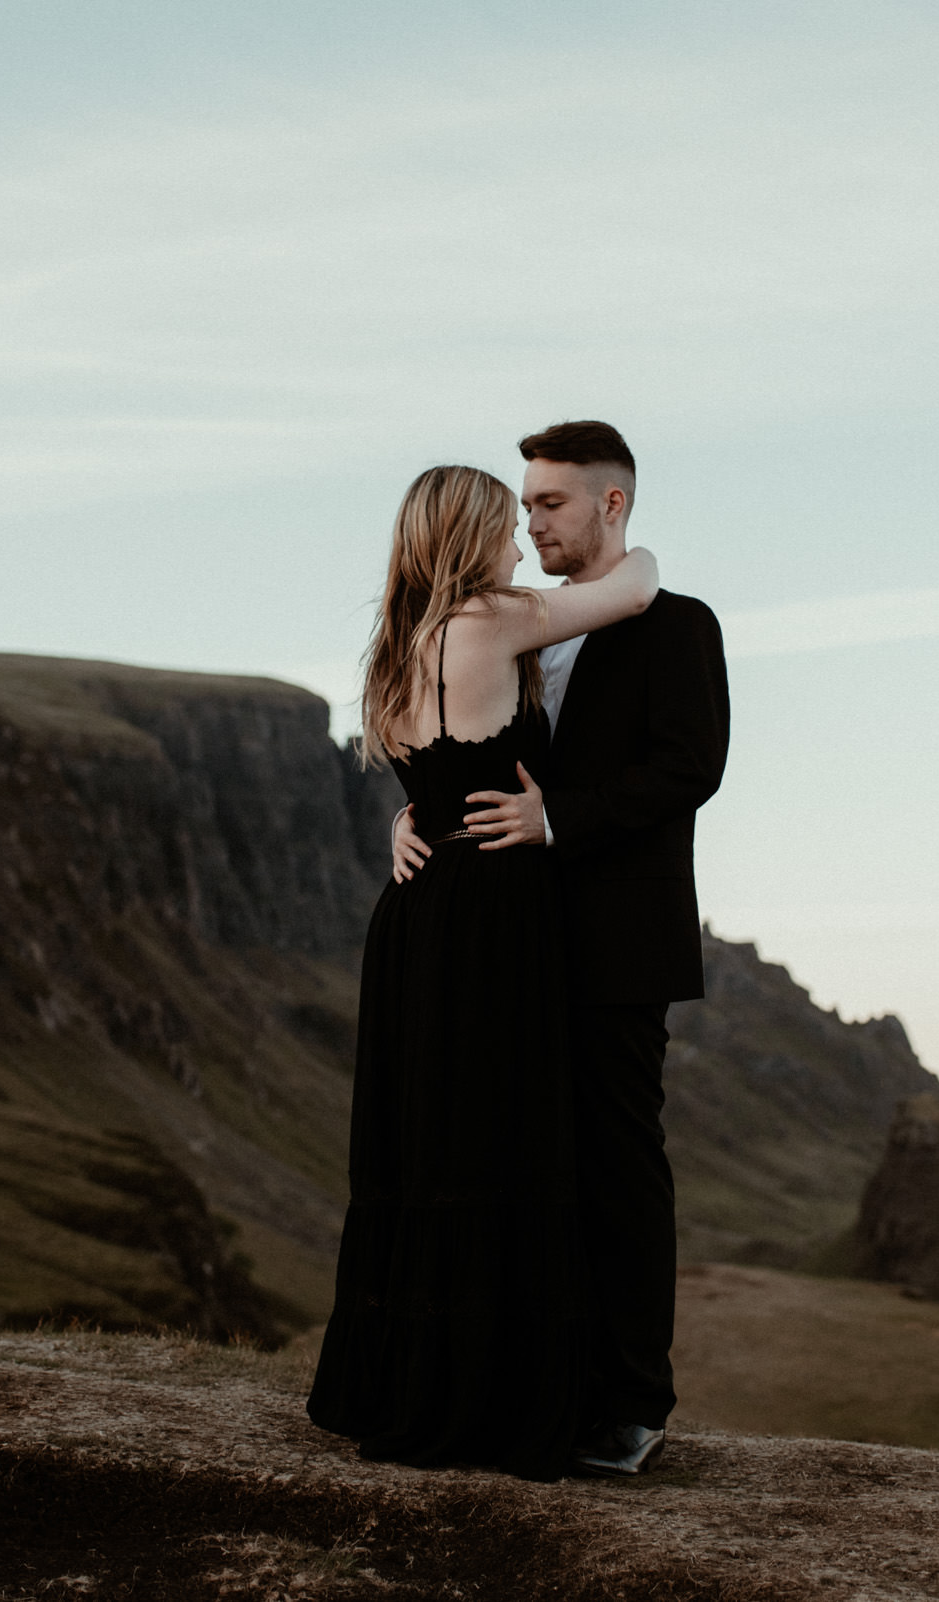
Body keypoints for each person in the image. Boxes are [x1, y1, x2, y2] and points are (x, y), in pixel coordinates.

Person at [305, 461, 661, 1480]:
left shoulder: (400, 645)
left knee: (428, 1147)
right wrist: (618, 527)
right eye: (507, 526)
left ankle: (406, 1383)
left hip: (419, 913)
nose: (520, 542)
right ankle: (491, 1404)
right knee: (501, 1141)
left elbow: (434, 784)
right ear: (467, 537)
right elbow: (632, 590)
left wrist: (403, 822)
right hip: (493, 916)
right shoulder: (489, 620)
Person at [390, 421, 731, 1478]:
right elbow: (458, 743)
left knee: (618, 1169)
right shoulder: (507, 624)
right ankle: (541, 1388)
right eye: (524, 503)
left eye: (549, 503)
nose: (530, 519)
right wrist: (418, 820)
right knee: (522, 1171)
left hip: (617, 948)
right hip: (510, 954)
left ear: (611, 506)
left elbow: (689, 768)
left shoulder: (677, 625)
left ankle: (631, 1405)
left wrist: (559, 821)